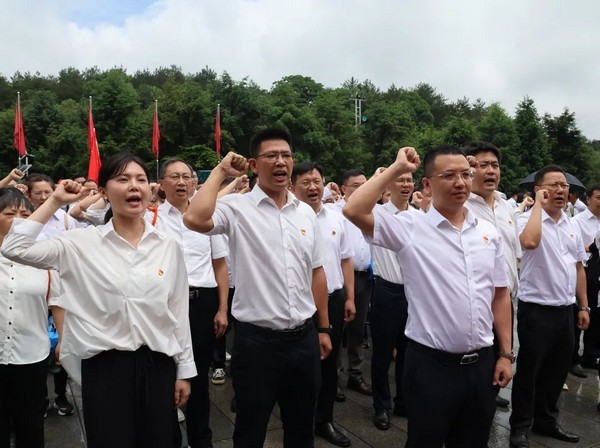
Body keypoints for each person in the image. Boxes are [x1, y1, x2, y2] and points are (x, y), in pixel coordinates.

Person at [1, 152, 196, 448]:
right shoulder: (80, 244)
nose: (134, 186)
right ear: (103, 192)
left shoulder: (168, 246)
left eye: (140, 179)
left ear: (150, 189)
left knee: (160, 440)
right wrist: (54, 201)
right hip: (105, 369)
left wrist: (184, 371)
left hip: (157, 364)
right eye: (123, 179)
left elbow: (178, 311)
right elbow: (15, 247)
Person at [343, 145, 513, 448]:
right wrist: (397, 168)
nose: (460, 182)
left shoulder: (487, 233)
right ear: (427, 183)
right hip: (432, 367)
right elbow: (353, 210)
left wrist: (505, 354)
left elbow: (500, 295)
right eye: (448, 176)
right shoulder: (410, 227)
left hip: (482, 365)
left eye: (465, 174)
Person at [184, 128, 332, 448]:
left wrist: (323, 328)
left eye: (286, 155)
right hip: (257, 344)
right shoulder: (236, 208)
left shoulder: (305, 213)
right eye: (271, 156)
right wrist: (221, 171)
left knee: (301, 429)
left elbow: (317, 272)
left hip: (304, 340)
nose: (280, 161)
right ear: (253, 164)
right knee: (250, 430)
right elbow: (194, 218)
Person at [509, 165, 590, 448]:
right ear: (538, 190)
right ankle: (520, 425)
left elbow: (578, 267)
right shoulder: (525, 219)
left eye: (564, 186)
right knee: (529, 371)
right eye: (553, 185)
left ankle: (546, 420)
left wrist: (584, 306)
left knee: (557, 371)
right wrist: (537, 207)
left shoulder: (571, 224)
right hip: (536, 309)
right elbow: (529, 242)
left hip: (565, 309)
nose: (560, 190)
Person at [151, 158, 229, 448]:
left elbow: (219, 264)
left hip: (202, 303)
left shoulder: (207, 217)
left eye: (187, 176)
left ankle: (201, 438)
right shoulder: (151, 219)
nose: (182, 182)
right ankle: (169, 437)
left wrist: (222, 309)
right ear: (161, 183)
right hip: (164, 303)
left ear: (195, 182)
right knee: (164, 372)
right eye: (174, 176)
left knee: (198, 373)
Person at [291, 162, 355, 447]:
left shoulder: (337, 218)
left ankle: (324, 419)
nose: (313, 187)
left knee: (330, 364)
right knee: (301, 367)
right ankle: (297, 421)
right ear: (293, 186)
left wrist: (350, 297)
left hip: (334, 298)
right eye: (305, 182)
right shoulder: (288, 219)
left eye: (317, 181)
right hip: (301, 302)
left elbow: (346, 259)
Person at [464, 141, 521, 408]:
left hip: (505, 297)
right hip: (475, 300)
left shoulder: (506, 206)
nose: (490, 171)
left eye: (495, 165)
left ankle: (489, 395)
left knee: (501, 352)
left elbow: (514, 252)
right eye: (482, 165)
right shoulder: (459, 204)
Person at [0, 188, 57, 448]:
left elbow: (58, 302)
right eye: (10, 214)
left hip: (31, 354)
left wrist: (64, 340)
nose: (19, 221)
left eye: (25, 215)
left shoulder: (45, 259)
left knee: (31, 424)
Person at [369, 170, 419, 431]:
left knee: (408, 352)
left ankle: (404, 401)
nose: (406, 184)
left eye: (409, 180)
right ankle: (381, 405)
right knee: (382, 352)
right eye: (400, 179)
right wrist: (378, 178)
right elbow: (355, 204)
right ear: (389, 184)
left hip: (414, 291)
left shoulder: (419, 217)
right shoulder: (376, 213)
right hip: (386, 290)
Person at [336, 169, 373, 398]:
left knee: (358, 330)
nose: (361, 190)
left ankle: (355, 374)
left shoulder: (371, 211)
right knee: (336, 329)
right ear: (343, 189)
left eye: (364, 185)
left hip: (365, 278)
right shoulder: (335, 212)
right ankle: (334, 377)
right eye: (356, 186)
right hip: (340, 280)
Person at [571, 184, 600, 372]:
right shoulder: (577, 222)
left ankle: (590, 355)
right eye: (598, 197)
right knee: (579, 313)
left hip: (599, 275)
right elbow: (572, 248)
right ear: (588, 198)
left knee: (597, 316)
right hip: (584, 271)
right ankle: (572, 359)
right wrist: (590, 249)